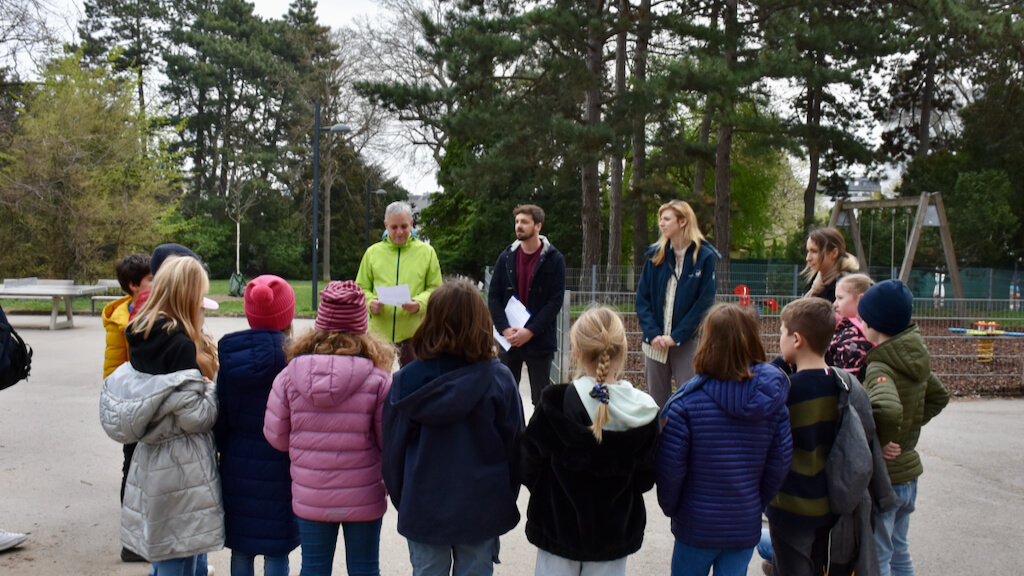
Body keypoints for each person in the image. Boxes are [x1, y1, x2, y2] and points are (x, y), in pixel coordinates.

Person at [383, 279, 524, 576]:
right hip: (482, 506)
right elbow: (515, 449)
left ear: (430, 320)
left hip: (423, 506)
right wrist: (502, 498)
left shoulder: (405, 381)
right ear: (481, 323)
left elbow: (392, 454)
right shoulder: (499, 379)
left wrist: (405, 500)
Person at [99, 256, 224, 576]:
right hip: (181, 463)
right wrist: (215, 390)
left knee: (173, 550)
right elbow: (195, 415)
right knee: (179, 553)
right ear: (187, 294)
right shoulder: (179, 344)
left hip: (151, 455)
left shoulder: (141, 331)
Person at [263, 280, 394, 576]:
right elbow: (388, 440)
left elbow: (276, 436)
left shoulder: (289, 377)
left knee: (313, 568)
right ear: (362, 326)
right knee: (365, 568)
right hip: (364, 493)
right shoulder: (378, 380)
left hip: (311, 493)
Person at [520, 306, 660, 576]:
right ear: (622, 349)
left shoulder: (554, 403)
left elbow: (527, 465)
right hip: (613, 537)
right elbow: (645, 479)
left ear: (576, 350)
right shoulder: (645, 413)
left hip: (557, 531)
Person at [657, 304, 792, 576]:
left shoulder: (686, 404)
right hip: (744, 524)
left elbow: (670, 467)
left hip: (695, 526)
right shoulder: (773, 403)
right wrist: (756, 502)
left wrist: (672, 508)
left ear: (706, 343)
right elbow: (779, 464)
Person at [857, 280, 949, 576]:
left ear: (875, 324)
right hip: (909, 475)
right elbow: (939, 396)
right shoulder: (914, 358)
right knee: (900, 549)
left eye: (863, 319)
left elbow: (887, 410)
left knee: (879, 554)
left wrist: (881, 441)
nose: (861, 323)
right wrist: (911, 424)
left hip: (889, 477)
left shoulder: (881, 366)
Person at [215, 275, 299, 576]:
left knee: (241, 547)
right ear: (287, 315)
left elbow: (221, 414)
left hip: (238, 460)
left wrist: (222, 447)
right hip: (281, 462)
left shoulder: (231, 358)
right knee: (277, 549)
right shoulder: (294, 358)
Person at [766, 297, 847, 576]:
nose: (780, 340)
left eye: (782, 333)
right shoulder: (840, 384)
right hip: (825, 502)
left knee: (790, 568)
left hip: (789, 504)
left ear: (797, 339)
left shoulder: (788, 390)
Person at [635, 199, 719, 408]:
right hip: (654, 343)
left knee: (690, 400)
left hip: (688, 342)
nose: (661, 223)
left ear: (683, 222)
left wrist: (676, 336)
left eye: (666, 219)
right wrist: (653, 334)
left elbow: (704, 303)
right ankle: (660, 432)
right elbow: (642, 299)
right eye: (661, 219)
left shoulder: (704, 257)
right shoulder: (655, 255)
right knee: (656, 404)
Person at [100, 252, 153, 564]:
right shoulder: (121, 321)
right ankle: (132, 543)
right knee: (132, 469)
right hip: (133, 404)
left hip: (152, 401)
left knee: (149, 471)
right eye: (150, 279)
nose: (156, 283)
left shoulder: (155, 309)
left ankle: (147, 535)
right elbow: (112, 371)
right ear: (134, 285)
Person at [487, 204, 566, 406]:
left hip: (539, 340)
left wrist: (530, 331)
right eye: (517, 222)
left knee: (541, 400)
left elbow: (555, 302)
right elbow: (494, 296)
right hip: (509, 339)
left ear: (538, 226)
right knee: (504, 397)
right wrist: (504, 329)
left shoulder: (555, 260)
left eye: (524, 222)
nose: (518, 226)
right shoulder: (506, 258)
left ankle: (537, 429)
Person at [356, 201, 442, 367]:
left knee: (414, 381)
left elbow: (436, 288)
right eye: (394, 227)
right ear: (386, 225)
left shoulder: (427, 252)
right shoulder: (372, 253)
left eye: (404, 226)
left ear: (411, 223)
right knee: (376, 380)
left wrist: (419, 304)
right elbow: (360, 288)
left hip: (414, 332)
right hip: (379, 334)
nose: (399, 232)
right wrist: (370, 302)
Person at [826, 273, 875, 382]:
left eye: (840, 298)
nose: (835, 304)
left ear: (860, 299)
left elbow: (844, 381)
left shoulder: (854, 338)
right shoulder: (852, 329)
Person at [802, 227, 859, 303]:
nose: (808, 258)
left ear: (834, 253)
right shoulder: (814, 283)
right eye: (808, 251)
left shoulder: (848, 286)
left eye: (814, 251)